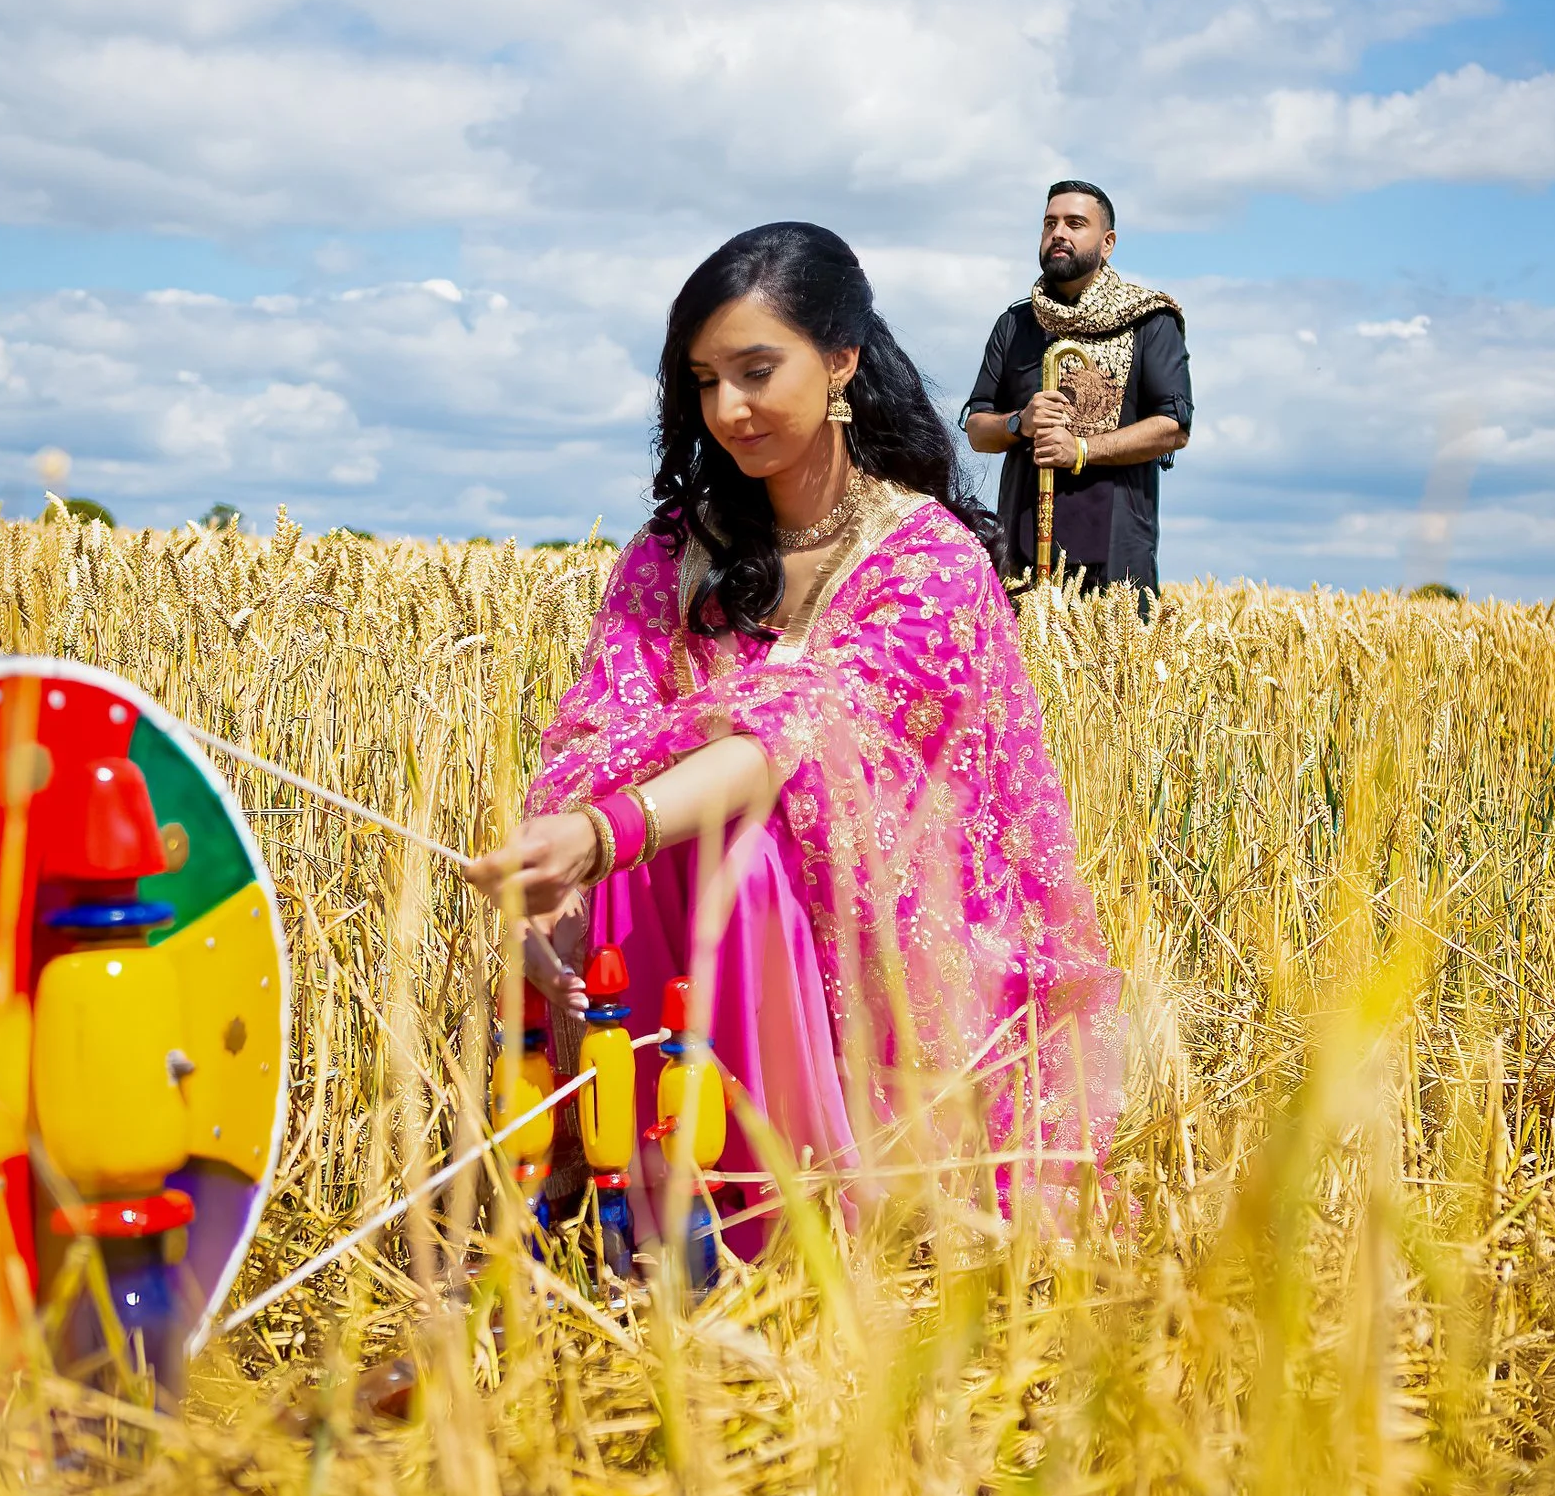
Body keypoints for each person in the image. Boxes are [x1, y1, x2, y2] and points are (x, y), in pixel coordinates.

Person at [464, 222, 1121, 1245]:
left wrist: (605, 835)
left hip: (867, 966)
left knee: (740, 837)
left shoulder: (928, 563)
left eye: (757, 371)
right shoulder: (675, 553)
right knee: (663, 837)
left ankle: (799, 1199)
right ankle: (639, 1189)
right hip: (661, 942)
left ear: (842, 359)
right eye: (704, 381)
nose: (728, 409)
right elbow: (598, 731)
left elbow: (804, 728)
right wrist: (562, 882)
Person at [962, 180, 1192, 600]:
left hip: (1117, 561)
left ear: (1107, 243)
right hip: (1023, 557)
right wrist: (1019, 422)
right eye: (1050, 223)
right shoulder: (1015, 325)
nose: (1059, 233)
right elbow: (977, 429)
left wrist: (1080, 450)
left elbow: (1173, 427)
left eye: (1075, 223)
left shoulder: (1150, 321)